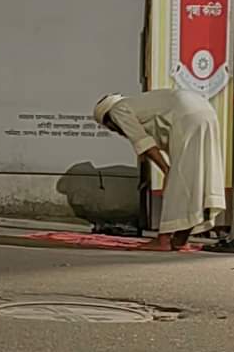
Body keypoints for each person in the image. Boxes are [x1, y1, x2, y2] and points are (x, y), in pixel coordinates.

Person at [94, 89, 226, 251]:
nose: (118, 132)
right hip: (206, 111)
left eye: (112, 129)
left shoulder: (117, 111)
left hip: (186, 116)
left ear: (108, 121)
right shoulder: (137, 105)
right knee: (197, 179)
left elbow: (143, 142)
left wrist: (166, 169)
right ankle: (180, 240)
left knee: (179, 181)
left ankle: (163, 240)